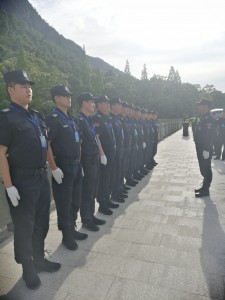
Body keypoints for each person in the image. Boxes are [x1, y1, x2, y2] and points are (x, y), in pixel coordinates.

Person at [0, 70, 60, 290]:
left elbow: (45, 146)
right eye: (22, 86)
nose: (28, 89)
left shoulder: (37, 116)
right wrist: (9, 186)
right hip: (22, 181)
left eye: (29, 85)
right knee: (25, 227)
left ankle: (39, 259)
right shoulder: (6, 117)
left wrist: (52, 169)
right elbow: (1, 153)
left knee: (42, 222)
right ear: (10, 89)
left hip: (41, 178)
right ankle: (28, 268)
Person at [46, 85, 87, 251]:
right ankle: (66, 235)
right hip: (63, 167)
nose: (69, 98)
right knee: (64, 203)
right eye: (65, 95)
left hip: (76, 165)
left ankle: (72, 228)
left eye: (70, 95)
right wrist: (54, 168)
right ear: (56, 98)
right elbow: (46, 145)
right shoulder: (53, 119)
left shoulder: (70, 119)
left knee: (75, 201)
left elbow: (79, 142)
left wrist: (80, 163)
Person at [77, 92, 106, 231]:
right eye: (91, 102)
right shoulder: (79, 120)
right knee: (87, 191)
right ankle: (86, 219)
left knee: (93, 189)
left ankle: (91, 215)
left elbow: (95, 138)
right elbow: (79, 144)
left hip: (94, 159)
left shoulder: (89, 119)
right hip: (86, 161)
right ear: (84, 103)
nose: (93, 104)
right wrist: (80, 163)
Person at [92, 96, 119, 215]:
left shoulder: (106, 118)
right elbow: (96, 137)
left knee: (109, 178)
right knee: (103, 180)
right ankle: (102, 204)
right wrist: (102, 154)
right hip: (105, 154)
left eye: (108, 102)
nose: (108, 105)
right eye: (105, 103)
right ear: (99, 104)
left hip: (111, 152)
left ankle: (107, 199)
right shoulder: (97, 118)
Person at [194, 99, 216, 197]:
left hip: (205, 149)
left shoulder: (209, 119)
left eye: (200, 105)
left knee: (206, 169)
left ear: (206, 106)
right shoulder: (202, 117)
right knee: (203, 168)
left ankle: (206, 190)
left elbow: (210, 136)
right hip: (200, 147)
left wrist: (207, 149)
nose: (199, 107)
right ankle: (204, 186)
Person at [108, 97, 126, 203]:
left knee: (119, 171)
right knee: (114, 173)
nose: (121, 107)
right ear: (113, 106)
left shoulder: (118, 119)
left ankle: (118, 190)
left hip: (120, 148)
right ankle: (114, 193)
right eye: (119, 105)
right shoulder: (110, 119)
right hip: (114, 150)